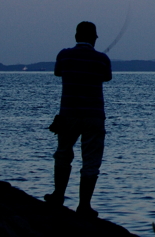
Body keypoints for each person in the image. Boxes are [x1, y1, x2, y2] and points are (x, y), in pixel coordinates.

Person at [45, 21, 112, 217]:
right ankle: (84, 206)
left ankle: (58, 195)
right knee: (91, 161)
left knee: (63, 154)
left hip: (68, 114)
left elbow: (58, 72)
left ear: (76, 36)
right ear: (94, 38)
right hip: (94, 116)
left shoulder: (64, 55)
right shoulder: (102, 59)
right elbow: (106, 77)